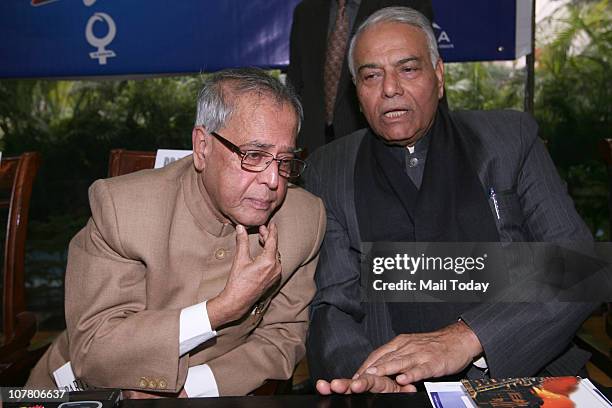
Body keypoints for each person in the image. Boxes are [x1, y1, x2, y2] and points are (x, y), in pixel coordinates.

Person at [303, 7, 595, 394]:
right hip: (392, 386)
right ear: (357, 92)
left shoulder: (509, 140)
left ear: (439, 76)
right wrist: (365, 376)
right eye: (371, 75)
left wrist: (469, 337)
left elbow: (577, 265)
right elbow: (334, 303)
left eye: (408, 69)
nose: (390, 88)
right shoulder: (330, 168)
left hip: (524, 374)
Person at [27, 68, 326, 397]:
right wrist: (219, 310)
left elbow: (283, 337)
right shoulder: (122, 209)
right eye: (253, 155)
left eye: (284, 161)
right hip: (83, 392)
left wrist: (190, 390)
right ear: (202, 147)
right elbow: (94, 350)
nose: (273, 180)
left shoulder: (303, 220)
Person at [287, 0, 433, 155]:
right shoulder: (305, 11)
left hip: (375, 144)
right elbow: (295, 81)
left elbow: (430, 74)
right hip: (313, 143)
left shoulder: (406, 4)